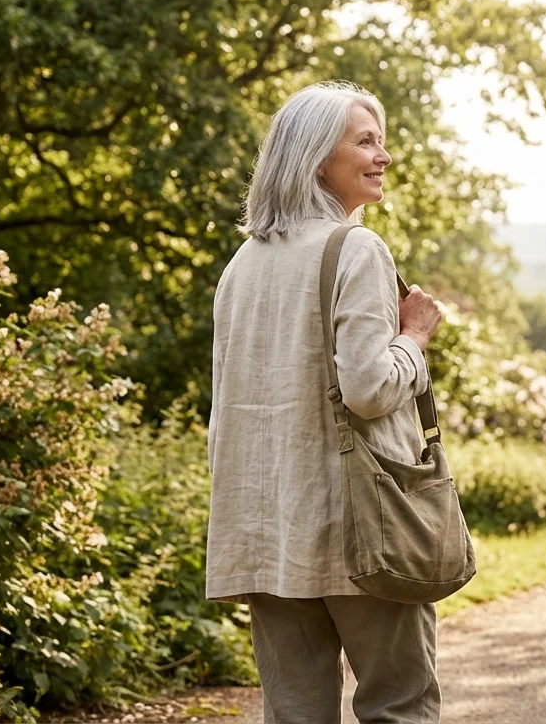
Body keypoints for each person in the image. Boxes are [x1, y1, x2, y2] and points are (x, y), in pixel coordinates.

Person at [205, 81, 445, 724]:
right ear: (316, 157)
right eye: (365, 142)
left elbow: (226, 411)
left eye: (381, 142)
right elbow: (369, 391)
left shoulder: (242, 264)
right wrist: (415, 336)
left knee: (294, 716)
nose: (383, 156)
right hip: (359, 527)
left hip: (266, 530)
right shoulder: (356, 249)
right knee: (399, 706)